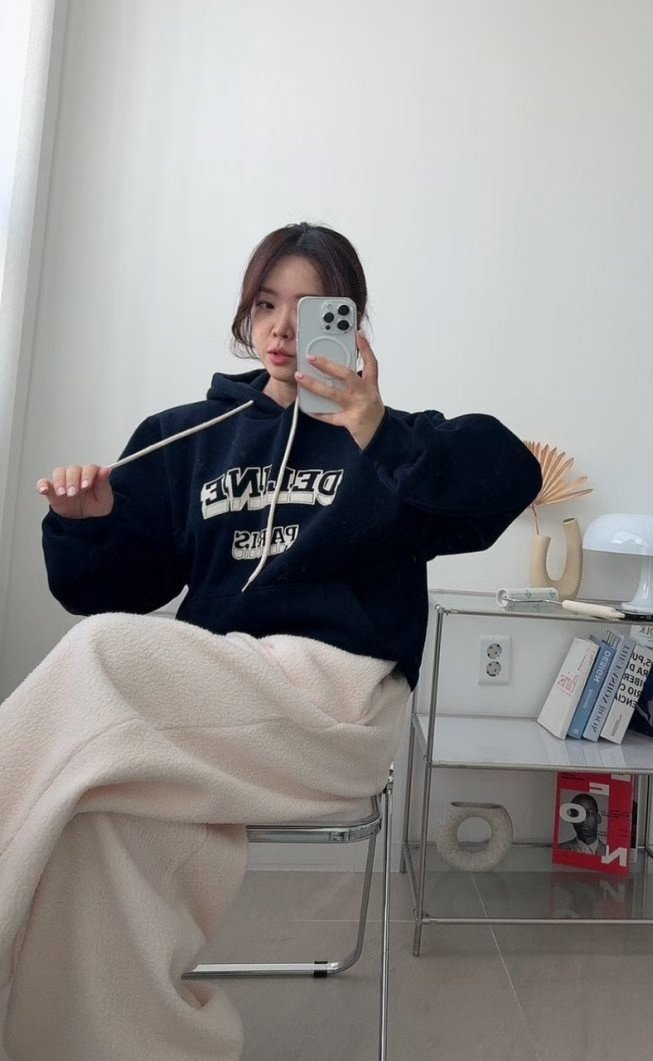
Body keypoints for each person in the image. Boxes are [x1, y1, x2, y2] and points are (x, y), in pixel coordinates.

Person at [0, 223, 541, 1060]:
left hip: (336, 702)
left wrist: (377, 429)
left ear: (350, 321)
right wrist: (91, 523)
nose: (283, 327)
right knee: (104, 822)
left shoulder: (393, 440)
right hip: (214, 698)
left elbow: (510, 475)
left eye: (310, 307)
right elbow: (103, 588)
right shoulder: (188, 435)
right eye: (264, 303)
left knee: (102, 655)